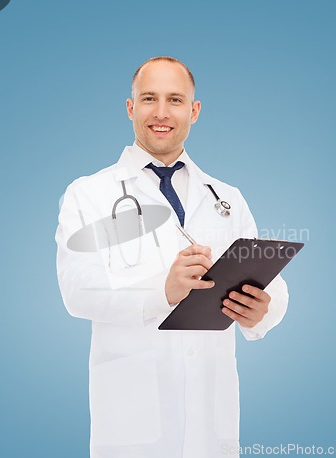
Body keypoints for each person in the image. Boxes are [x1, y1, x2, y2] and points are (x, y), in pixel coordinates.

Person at [55, 56, 289, 458]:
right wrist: (162, 292)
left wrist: (264, 310)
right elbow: (77, 290)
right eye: (149, 98)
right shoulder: (89, 193)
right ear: (131, 108)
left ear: (194, 111)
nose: (161, 113)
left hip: (212, 426)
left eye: (175, 100)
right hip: (131, 425)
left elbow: (271, 280)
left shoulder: (226, 198)